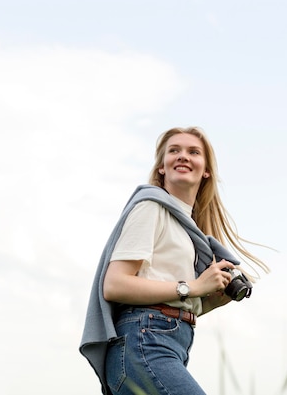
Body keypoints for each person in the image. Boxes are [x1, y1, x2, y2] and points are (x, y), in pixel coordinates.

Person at [79, 127, 270, 395]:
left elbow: (167, 295)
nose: (183, 156)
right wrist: (192, 287)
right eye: (174, 151)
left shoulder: (188, 230)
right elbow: (115, 285)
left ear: (206, 171)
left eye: (193, 152)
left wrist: (208, 301)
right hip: (144, 341)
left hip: (169, 340)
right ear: (161, 167)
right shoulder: (151, 206)